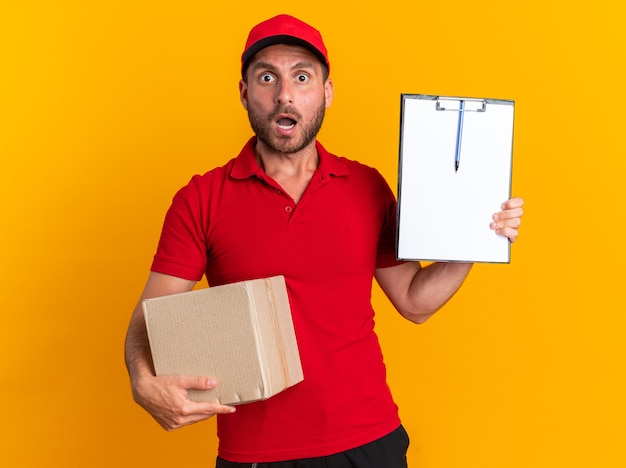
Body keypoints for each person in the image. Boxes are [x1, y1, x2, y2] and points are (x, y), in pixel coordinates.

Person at [124, 14, 524, 468]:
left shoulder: (367, 187)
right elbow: (147, 321)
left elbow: (415, 302)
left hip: (370, 442)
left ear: (327, 92)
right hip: (256, 453)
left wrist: (475, 238)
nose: (284, 95)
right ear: (244, 93)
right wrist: (142, 381)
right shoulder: (201, 199)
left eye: (301, 76)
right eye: (267, 77)